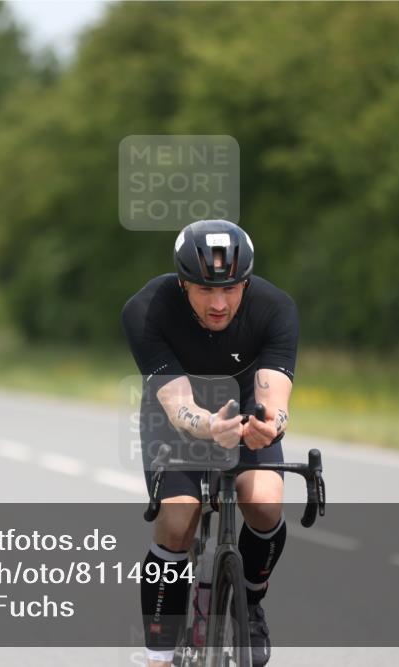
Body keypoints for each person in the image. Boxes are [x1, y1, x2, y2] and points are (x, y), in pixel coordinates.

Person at [121, 219, 298, 667]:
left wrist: (271, 423)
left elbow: (274, 392)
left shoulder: (275, 308)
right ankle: (158, 651)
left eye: (232, 288)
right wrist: (207, 426)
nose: (219, 303)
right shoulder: (148, 308)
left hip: (243, 411)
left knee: (265, 502)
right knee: (179, 515)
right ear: (183, 283)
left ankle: (251, 604)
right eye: (205, 290)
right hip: (177, 416)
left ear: (247, 282)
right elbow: (176, 400)